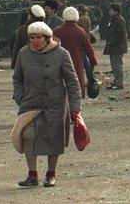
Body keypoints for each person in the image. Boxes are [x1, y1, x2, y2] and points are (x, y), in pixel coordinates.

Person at [12, 21, 82, 188]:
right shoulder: (24, 54)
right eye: (32, 38)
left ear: (48, 38)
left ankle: (51, 174)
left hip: (55, 105)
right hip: (31, 103)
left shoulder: (61, 54)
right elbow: (17, 78)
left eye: (39, 38)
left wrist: (75, 107)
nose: (35, 41)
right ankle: (32, 174)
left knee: (54, 139)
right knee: (28, 135)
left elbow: (72, 82)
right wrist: (19, 96)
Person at [52, 7, 96, 94]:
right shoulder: (80, 32)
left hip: (61, 62)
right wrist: (93, 60)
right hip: (77, 61)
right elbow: (88, 48)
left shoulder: (57, 31)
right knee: (76, 85)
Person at [103, 4, 129, 89]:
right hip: (114, 46)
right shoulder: (115, 20)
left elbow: (120, 35)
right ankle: (116, 81)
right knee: (114, 65)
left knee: (117, 65)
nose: (109, 12)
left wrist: (111, 42)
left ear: (116, 11)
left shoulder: (119, 20)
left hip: (117, 47)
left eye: (111, 10)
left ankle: (119, 83)